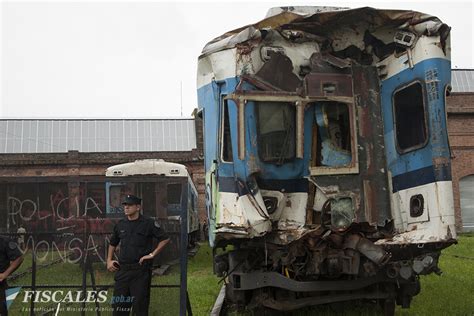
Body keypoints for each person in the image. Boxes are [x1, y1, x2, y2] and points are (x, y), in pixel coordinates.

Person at [107, 194, 170, 316]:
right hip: (123, 272)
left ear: (138, 207)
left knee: (140, 308)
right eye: (125, 205)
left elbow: (165, 239)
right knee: (118, 308)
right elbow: (113, 243)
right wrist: (109, 260)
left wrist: (152, 254)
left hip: (140, 272)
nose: (126, 207)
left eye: (129, 205)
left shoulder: (148, 223)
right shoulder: (120, 224)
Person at [0, 236, 24, 315]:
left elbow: (19, 257)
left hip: (0, 286)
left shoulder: (4, 241)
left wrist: (5, 274)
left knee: (2, 309)